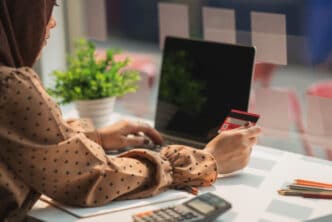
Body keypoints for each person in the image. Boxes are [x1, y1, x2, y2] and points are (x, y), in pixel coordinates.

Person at [0, 0, 261, 221]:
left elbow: (27, 142)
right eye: (47, 8)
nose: (52, 22)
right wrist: (205, 160)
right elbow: (94, 177)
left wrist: (96, 138)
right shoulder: (10, 86)